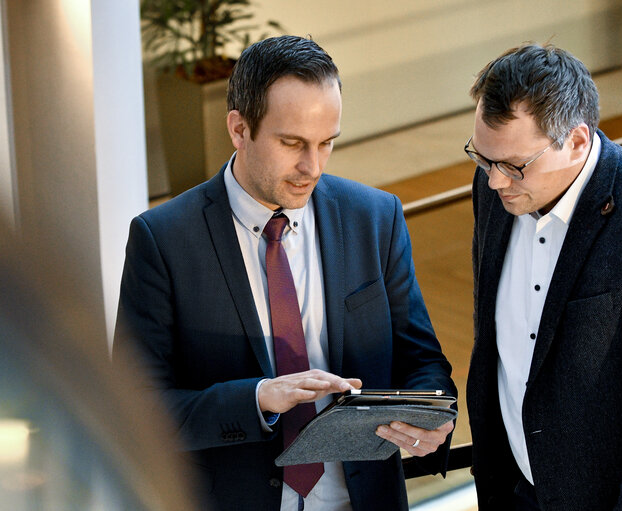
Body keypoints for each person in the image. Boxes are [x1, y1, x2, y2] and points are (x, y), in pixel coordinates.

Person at [113, 35, 456, 511]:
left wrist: (432, 415)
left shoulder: (375, 217)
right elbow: (134, 410)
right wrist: (255, 399)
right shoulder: (164, 239)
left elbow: (424, 362)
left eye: (326, 143)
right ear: (238, 128)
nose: (311, 167)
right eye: (292, 143)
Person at [465, 43, 622, 510]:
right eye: (482, 157)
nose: (496, 180)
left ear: (577, 140)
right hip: (516, 492)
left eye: (514, 165)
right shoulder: (495, 189)